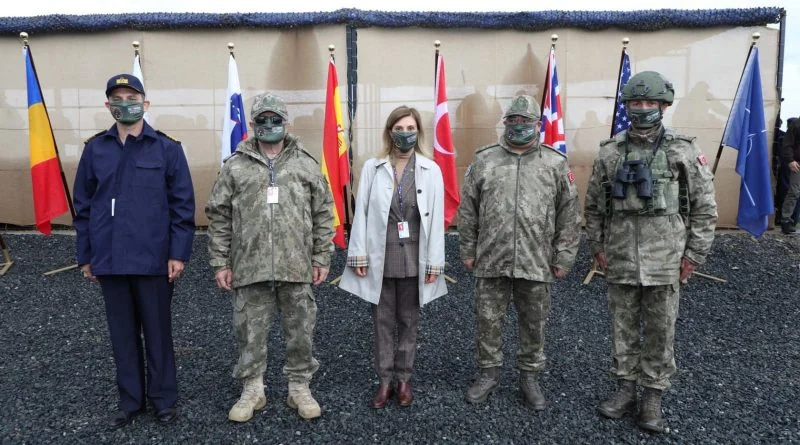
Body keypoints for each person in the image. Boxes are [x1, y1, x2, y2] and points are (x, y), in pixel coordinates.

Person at [584, 71, 718, 433]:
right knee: (622, 327)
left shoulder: (682, 149)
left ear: (663, 105)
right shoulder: (610, 152)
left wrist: (694, 255)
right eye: (635, 103)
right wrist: (598, 247)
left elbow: (705, 208)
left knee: (661, 329)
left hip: (665, 258)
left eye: (649, 102)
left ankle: (653, 396)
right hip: (620, 255)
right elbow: (594, 206)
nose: (642, 108)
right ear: (627, 106)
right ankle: (625, 389)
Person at [73, 73, 195, 430]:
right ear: (107, 105)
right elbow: (83, 207)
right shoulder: (95, 149)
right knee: (122, 335)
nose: (124, 104)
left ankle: (163, 401)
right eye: (117, 98)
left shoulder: (167, 149)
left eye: (132, 97)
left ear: (146, 103)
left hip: (153, 258)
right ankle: (130, 402)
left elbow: (183, 206)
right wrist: (86, 256)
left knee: (158, 333)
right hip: (110, 259)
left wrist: (178, 254)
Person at [206, 92, 334, 422]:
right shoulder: (235, 166)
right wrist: (220, 262)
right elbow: (219, 215)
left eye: (275, 119)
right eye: (262, 120)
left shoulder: (305, 163)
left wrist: (321, 257)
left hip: (296, 265)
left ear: (286, 123)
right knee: (250, 332)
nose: (269, 125)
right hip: (250, 266)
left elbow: (323, 212)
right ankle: (253, 389)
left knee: (301, 331)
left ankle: (299, 387)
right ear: (252, 124)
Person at [458, 95, 581, 409]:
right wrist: (468, 249)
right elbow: (468, 209)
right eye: (512, 120)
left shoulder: (555, 163)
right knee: (487, 321)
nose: (518, 125)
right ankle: (488, 374)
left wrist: (564, 256)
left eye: (525, 121)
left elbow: (569, 214)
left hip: (536, 259)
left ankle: (530, 377)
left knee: (534, 322)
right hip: (491, 258)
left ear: (538, 125)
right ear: (505, 123)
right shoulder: (485, 159)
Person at [339, 106, 447, 409]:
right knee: (382, 322)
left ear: (419, 132)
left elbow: (436, 221)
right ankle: (385, 380)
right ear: (389, 132)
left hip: (414, 256)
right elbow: (360, 214)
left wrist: (435, 262)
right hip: (381, 256)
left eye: (410, 128)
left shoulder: (431, 169)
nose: (405, 134)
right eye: (399, 128)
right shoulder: (373, 168)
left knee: (409, 322)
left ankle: (404, 379)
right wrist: (358, 255)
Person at [779, 117, 800, 234]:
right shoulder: (796, 124)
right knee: (794, 192)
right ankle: (785, 220)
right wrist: (790, 160)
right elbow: (787, 144)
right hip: (797, 163)